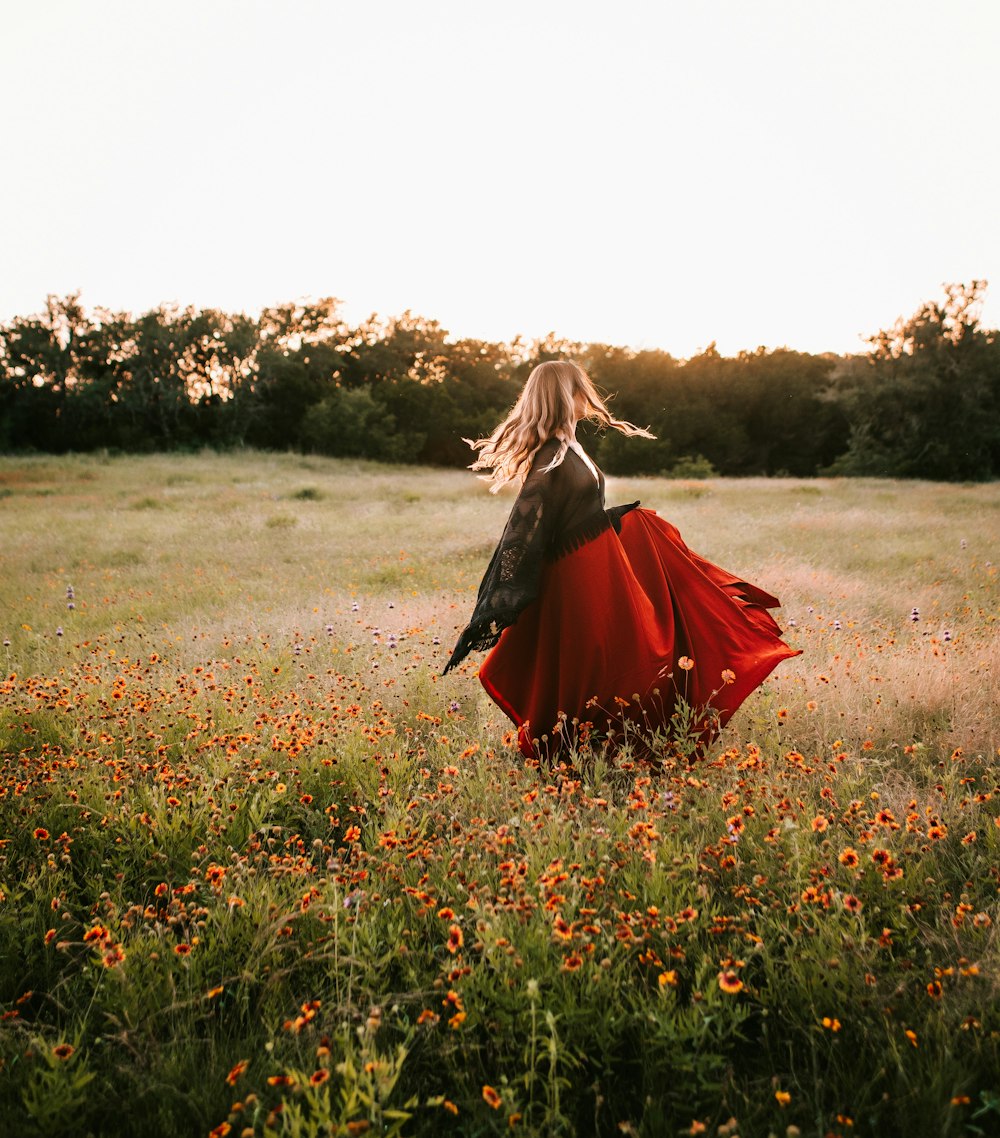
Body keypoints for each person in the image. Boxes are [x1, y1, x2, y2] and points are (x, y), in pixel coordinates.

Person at [443, 360, 799, 760]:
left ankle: (611, 750)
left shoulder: (570, 447)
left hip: (596, 569)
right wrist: (501, 596)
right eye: (581, 389)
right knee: (611, 662)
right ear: (566, 394)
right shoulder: (551, 457)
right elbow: (524, 526)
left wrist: (622, 520)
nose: (589, 397)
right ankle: (577, 754)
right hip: (578, 577)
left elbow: (578, 513)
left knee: (633, 651)